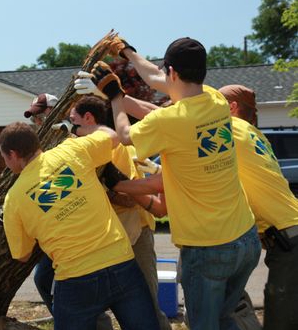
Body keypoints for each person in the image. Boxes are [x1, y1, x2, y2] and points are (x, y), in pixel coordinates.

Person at [79, 37, 261, 330]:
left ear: (172, 72)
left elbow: (125, 134)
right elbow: (154, 82)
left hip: (208, 248)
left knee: (204, 324)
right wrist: (127, 51)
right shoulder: (214, 99)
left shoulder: (170, 121)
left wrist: (114, 96)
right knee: (227, 318)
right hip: (245, 238)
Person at [0, 121, 160, 330]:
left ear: (12, 154)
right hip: (121, 263)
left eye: (4, 158)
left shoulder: (14, 199)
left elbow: (22, 255)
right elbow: (112, 136)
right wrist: (78, 129)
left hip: (75, 279)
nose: (5, 163)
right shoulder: (71, 150)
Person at [70, 96, 171, 330]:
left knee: (147, 306)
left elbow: (129, 200)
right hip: (108, 237)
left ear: (88, 118)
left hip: (136, 236)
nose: (70, 127)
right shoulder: (83, 149)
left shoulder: (114, 147)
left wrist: (105, 190)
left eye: (73, 121)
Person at [24, 94, 113, 330]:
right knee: (43, 279)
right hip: (53, 228)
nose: (38, 122)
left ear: (58, 112)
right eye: (34, 118)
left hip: (81, 226)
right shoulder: (39, 144)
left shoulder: (77, 139)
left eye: (41, 116)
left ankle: (95, 324)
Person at [219, 84, 298, 330]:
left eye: (215, 106)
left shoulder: (231, 128)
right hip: (290, 232)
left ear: (231, 108)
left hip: (289, 240)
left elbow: (179, 119)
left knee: (279, 320)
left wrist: (119, 99)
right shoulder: (255, 135)